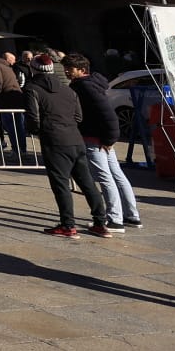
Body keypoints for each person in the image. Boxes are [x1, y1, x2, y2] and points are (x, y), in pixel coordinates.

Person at [23, 52, 110, 238]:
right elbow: (78, 116)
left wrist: (39, 131)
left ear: (33, 69)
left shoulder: (32, 89)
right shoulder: (68, 89)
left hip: (54, 140)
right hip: (75, 139)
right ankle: (100, 223)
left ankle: (68, 225)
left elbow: (32, 118)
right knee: (87, 182)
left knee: (60, 184)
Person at [64, 52, 142, 231]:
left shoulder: (85, 87)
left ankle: (115, 219)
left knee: (106, 178)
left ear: (81, 70)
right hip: (102, 138)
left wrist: (109, 138)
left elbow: (107, 114)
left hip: (96, 139)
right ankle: (131, 215)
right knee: (116, 175)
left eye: (70, 69)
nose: (67, 72)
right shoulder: (89, 84)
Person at [0, 50, 28, 156]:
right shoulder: (5, 66)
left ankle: (15, 150)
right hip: (17, 98)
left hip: (7, 99)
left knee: (10, 126)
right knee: (19, 126)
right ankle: (22, 150)